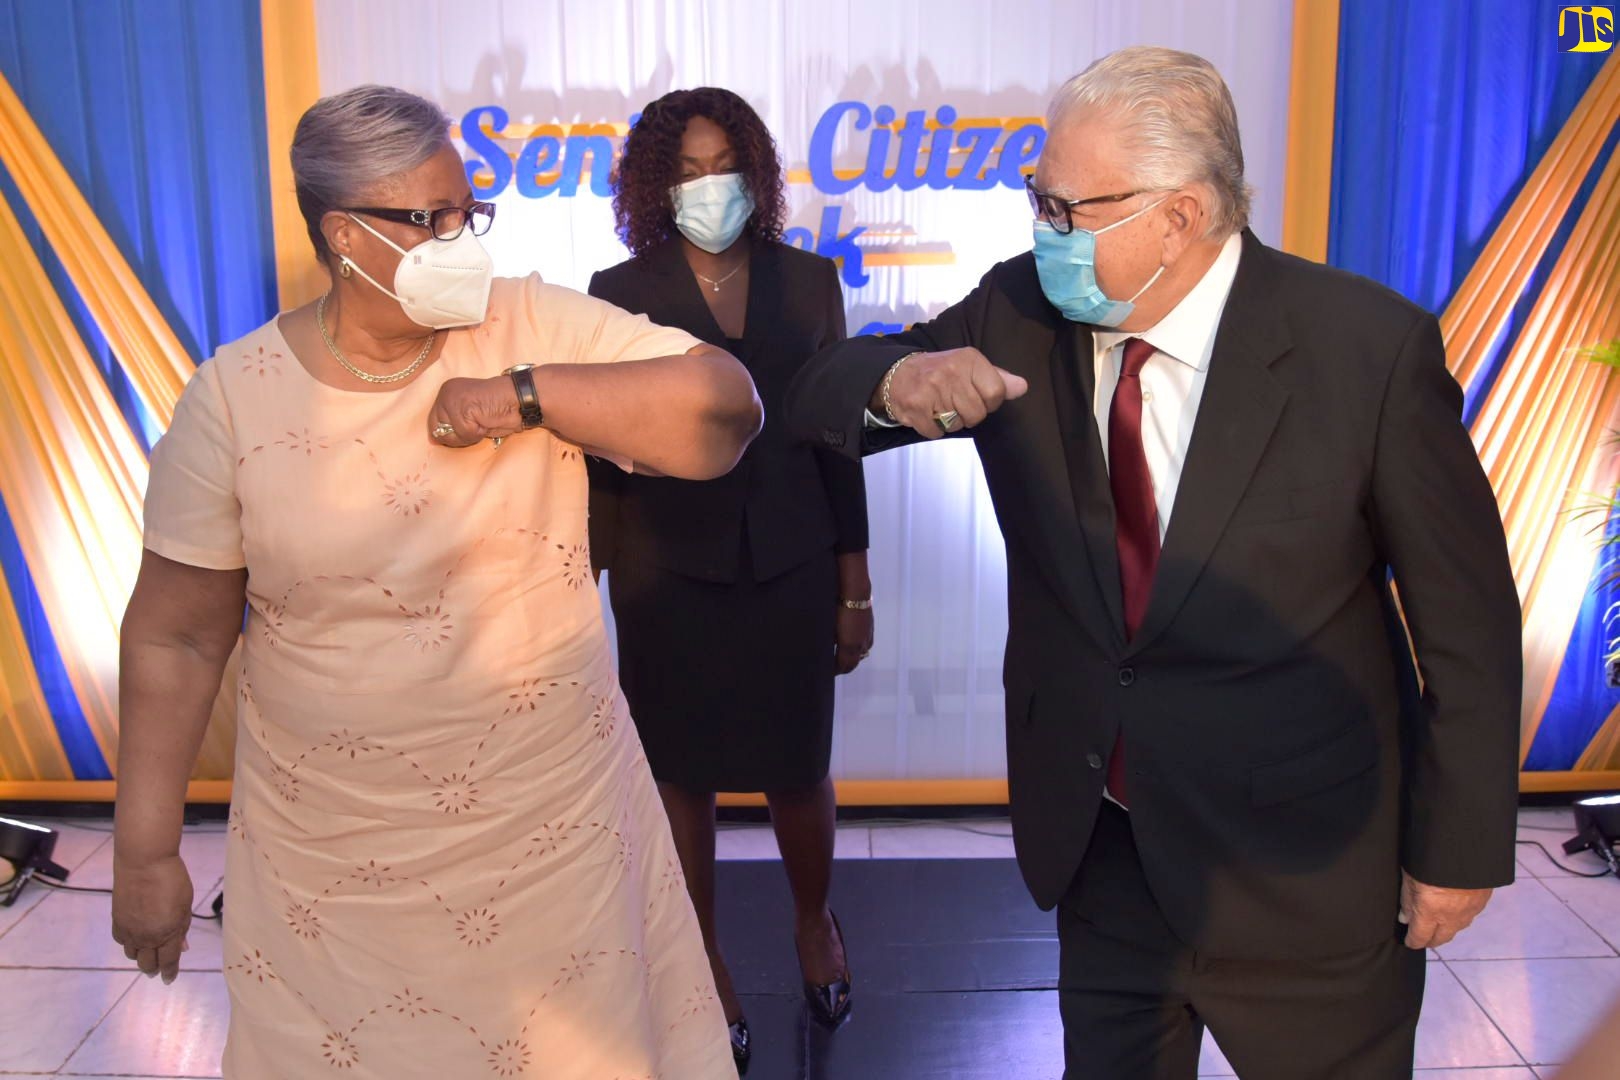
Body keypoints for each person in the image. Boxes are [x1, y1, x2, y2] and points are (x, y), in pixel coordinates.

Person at [785, 46, 1522, 1080]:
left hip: (1307, 869)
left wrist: (1459, 850)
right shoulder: (1019, 314)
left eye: (1068, 210)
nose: (1043, 233)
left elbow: (1469, 625)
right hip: (1107, 849)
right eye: (1036, 200)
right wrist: (900, 377)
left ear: (1179, 217)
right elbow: (826, 386)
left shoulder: (1365, 351)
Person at [111, 84, 760, 1079]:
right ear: (341, 235)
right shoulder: (233, 399)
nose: (463, 241)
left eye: (470, 213)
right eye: (430, 221)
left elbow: (724, 412)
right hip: (329, 871)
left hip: (550, 842)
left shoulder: (525, 323)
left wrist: (525, 397)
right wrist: (146, 851)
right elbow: (179, 638)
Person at [587, 87, 871, 1069]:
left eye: (725, 166)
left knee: (798, 766)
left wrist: (855, 582)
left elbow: (840, 442)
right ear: (661, 184)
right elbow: (603, 452)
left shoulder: (810, 282)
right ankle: (699, 957)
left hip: (792, 561)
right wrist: (581, 582)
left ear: (753, 170)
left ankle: (813, 923)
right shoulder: (617, 290)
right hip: (666, 570)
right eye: (690, 170)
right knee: (682, 776)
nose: (711, 185)